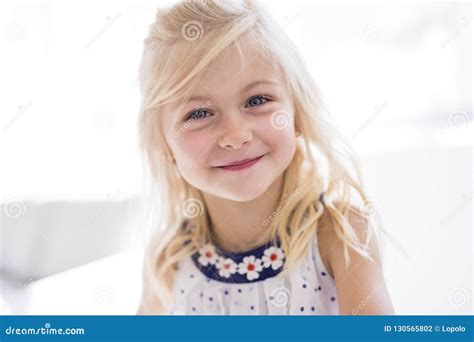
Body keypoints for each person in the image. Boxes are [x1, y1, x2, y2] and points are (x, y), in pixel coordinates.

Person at [136, 0, 394, 315]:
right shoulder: (169, 259)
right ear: (163, 143)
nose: (236, 134)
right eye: (199, 113)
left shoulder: (341, 235)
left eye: (258, 100)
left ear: (297, 112)